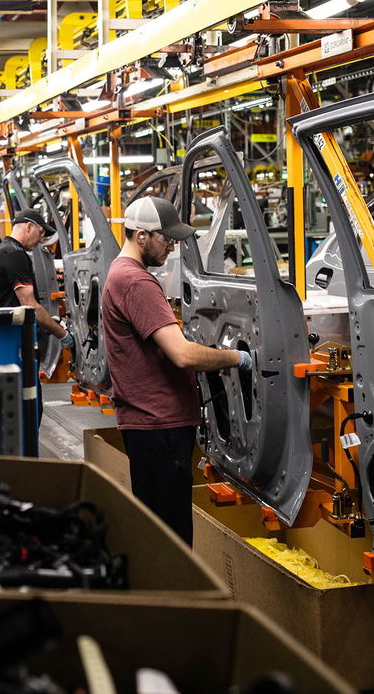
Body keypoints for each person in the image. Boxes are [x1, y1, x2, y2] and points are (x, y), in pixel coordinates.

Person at [102, 195, 251, 546]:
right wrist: (237, 358)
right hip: (160, 427)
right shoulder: (136, 281)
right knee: (171, 541)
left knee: (159, 534)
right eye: (166, 239)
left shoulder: (120, 273)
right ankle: (174, 597)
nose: (171, 247)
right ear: (141, 236)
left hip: (149, 424)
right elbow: (182, 355)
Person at [0, 208, 74, 348]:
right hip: (12, 338)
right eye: (41, 233)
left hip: (6, 335)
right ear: (29, 227)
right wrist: (62, 334)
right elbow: (29, 305)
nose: (40, 240)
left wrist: (48, 320)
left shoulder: (6, 249)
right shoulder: (15, 254)